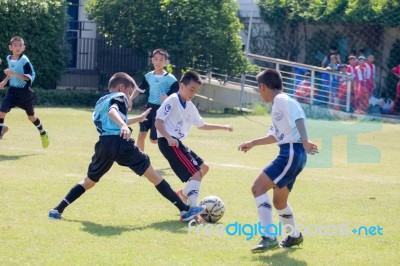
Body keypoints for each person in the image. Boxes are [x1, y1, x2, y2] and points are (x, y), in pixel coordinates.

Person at [48, 72, 205, 222]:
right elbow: (113, 112)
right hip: (121, 143)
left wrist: (138, 119)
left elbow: (112, 118)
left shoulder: (101, 101)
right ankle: (185, 210)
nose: (130, 97)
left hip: (104, 145)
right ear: (122, 87)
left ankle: (58, 209)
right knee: (154, 176)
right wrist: (123, 125)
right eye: (130, 92)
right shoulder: (120, 96)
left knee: (89, 181)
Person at [237, 69, 318, 253]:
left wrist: (305, 141)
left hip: (291, 152)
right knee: (279, 202)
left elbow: (299, 117)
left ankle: (268, 237)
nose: (260, 93)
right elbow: (275, 135)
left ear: (262, 86)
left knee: (258, 188)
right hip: (293, 153)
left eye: (259, 89)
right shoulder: (277, 105)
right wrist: (253, 143)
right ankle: (294, 236)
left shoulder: (282, 100)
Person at [155, 70, 233, 210]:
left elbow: (202, 125)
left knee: (204, 168)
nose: (193, 93)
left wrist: (223, 127)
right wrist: (168, 137)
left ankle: (183, 193)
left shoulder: (190, 106)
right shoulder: (172, 99)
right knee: (197, 173)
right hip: (169, 143)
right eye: (191, 89)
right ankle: (191, 210)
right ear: (181, 86)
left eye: (196, 91)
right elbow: (158, 122)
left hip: (178, 143)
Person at [0, 36, 49, 147]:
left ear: (23, 48)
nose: (17, 47)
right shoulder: (9, 58)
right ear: (10, 47)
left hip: (25, 93)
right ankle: (1, 130)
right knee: (1, 112)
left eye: (20, 45)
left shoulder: (24, 60)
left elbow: (27, 77)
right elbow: (10, 73)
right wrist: (4, 82)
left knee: (31, 117)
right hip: (12, 91)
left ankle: (43, 132)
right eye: (15, 45)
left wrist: (12, 73)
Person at [133, 48, 179, 151]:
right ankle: (141, 161)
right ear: (152, 60)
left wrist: (167, 99)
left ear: (165, 62)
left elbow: (177, 97)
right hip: (148, 109)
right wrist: (130, 99)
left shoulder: (171, 79)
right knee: (141, 135)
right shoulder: (148, 76)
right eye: (156, 59)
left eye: (161, 60)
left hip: (161, 110)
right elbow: (139, 89)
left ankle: (176, 144)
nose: (158, 62)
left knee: (154, 140)